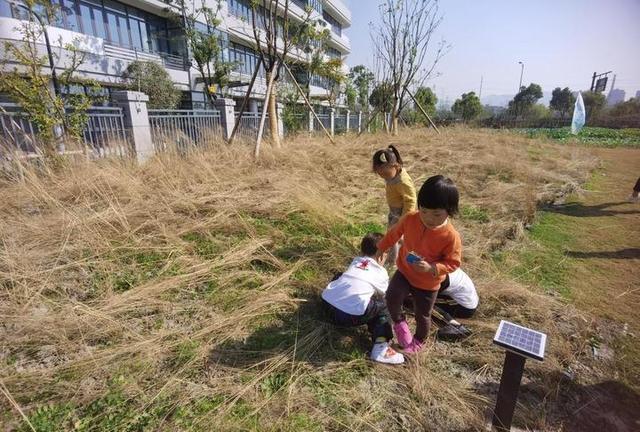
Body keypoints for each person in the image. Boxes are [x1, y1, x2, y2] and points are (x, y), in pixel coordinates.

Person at [377, 175, 462, 354]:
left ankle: (418, 341)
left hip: (427, 283)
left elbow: (453, 263)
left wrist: (433, 268)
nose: (428, 218)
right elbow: (394, 233)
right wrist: (382, 248)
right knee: (392, 297)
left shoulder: (450, 236)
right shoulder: (411, 219)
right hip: (405, 271)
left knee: (422, 315)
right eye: (423, 211)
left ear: (450, 211)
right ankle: (400, 325)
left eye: (436, 214)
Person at [321, 233, 405, 365]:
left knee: (340, 276)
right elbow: (383, 294)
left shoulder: (356, 261)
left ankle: (335, 297)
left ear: (362, 250)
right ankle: (381, 347)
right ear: (383, 254)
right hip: (348, 316)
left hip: (327, 307)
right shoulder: (380, 272)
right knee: (384, 304)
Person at [372, 145, 417, 266]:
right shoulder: (393, 174)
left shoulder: (402, 181)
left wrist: (403, 219)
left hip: (401, 213)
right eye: (380, 174)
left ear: (396, 166)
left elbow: (411, 200)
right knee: (398, 236)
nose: (384, 177)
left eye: (385, 174)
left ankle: (393, 262)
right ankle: (402, 256)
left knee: (393, 237)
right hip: (394, 211)